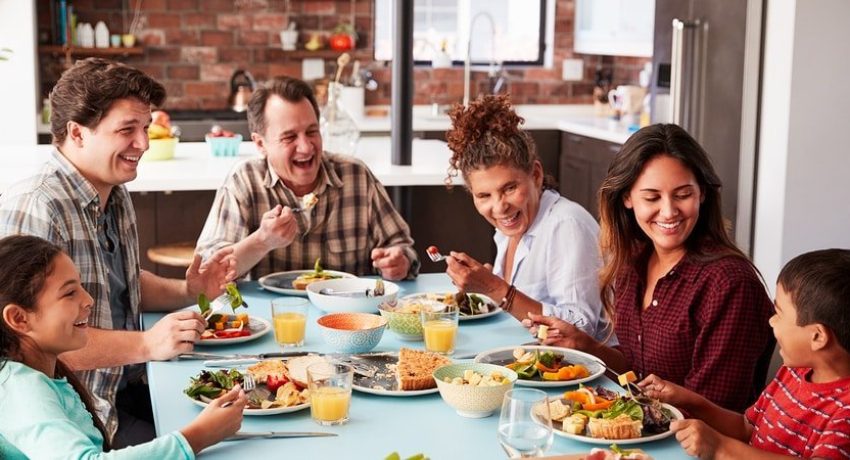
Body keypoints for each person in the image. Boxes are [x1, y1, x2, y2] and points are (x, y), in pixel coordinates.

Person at [0, 58, 237, 446]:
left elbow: (119, 284)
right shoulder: (37, 206)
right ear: (77, 133)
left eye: (145, 128)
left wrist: (187, 290)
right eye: (127, 130)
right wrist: (148, 343)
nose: (143, 143)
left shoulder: (113, 190)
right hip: (88, 413)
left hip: (131, 381)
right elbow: (32, 342)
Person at [528, 124, 774, 411]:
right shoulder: (634, 260)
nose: (669, 212)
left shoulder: (730, 284)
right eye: (652, 197)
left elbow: (714, 410)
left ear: (702, 194)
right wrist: (588, 347)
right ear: (627, 198)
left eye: (682, 195)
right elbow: (639, 369)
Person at [0, 235, 247, 459]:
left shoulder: (37, 375)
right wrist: (196, 437)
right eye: (69, 293)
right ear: (19, 318)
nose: (88, 300)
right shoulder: (23, 391)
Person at [196, 76, 418, 280]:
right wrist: (262, 241)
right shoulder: (244, 182)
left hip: (348, 318)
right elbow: (208, 270)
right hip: (269, 319)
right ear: (260, 144)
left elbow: (402, 247)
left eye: (312, 132)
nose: (306, 147)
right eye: (289, 137)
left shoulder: (356, 176)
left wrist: (399, 262)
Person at [638, 249, 850, 459]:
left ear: (817, 336)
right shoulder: (793, 372)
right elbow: (746, 427)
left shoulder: (845, 409)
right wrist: (691, 401)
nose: (771, 320)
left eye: (779, 314)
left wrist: (721, 448)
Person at [442, 95, 612, 343]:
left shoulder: (567, 224)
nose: (499, 207)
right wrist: (484, 283)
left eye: (509, 188)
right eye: (484, 195)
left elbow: (580, 330)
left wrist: (495, 288)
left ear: (536, 175)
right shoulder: (509, 227)